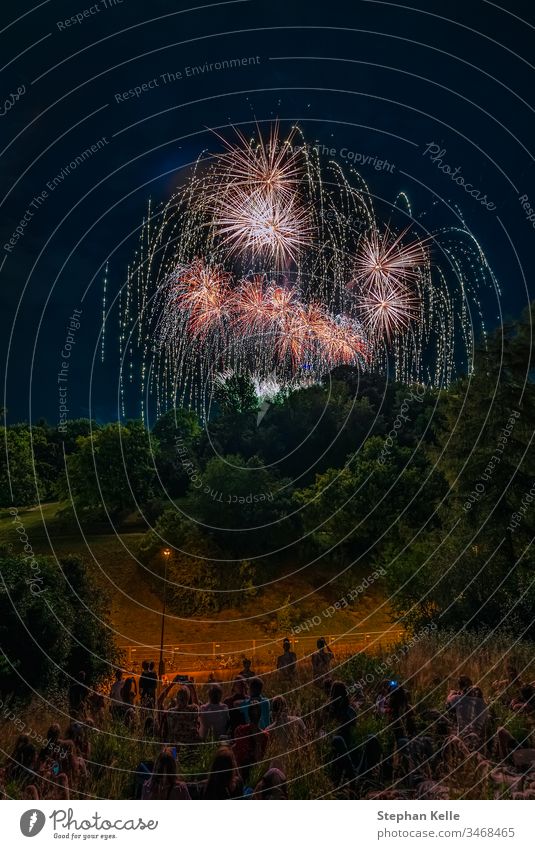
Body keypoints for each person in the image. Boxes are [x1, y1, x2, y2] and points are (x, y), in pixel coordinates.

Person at [233, 701, 269, 782]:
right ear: (260, 716)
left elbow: (236, 752)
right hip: (256, 776)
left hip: (239, 773)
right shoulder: (264, 736)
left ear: (248, 715)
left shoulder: (239, 730)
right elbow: (260, 760)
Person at [327, 681, 357, 748]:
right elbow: (355, 728)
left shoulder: (328, 710)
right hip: (349, 745)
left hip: (333, 746)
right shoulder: (350, 710)